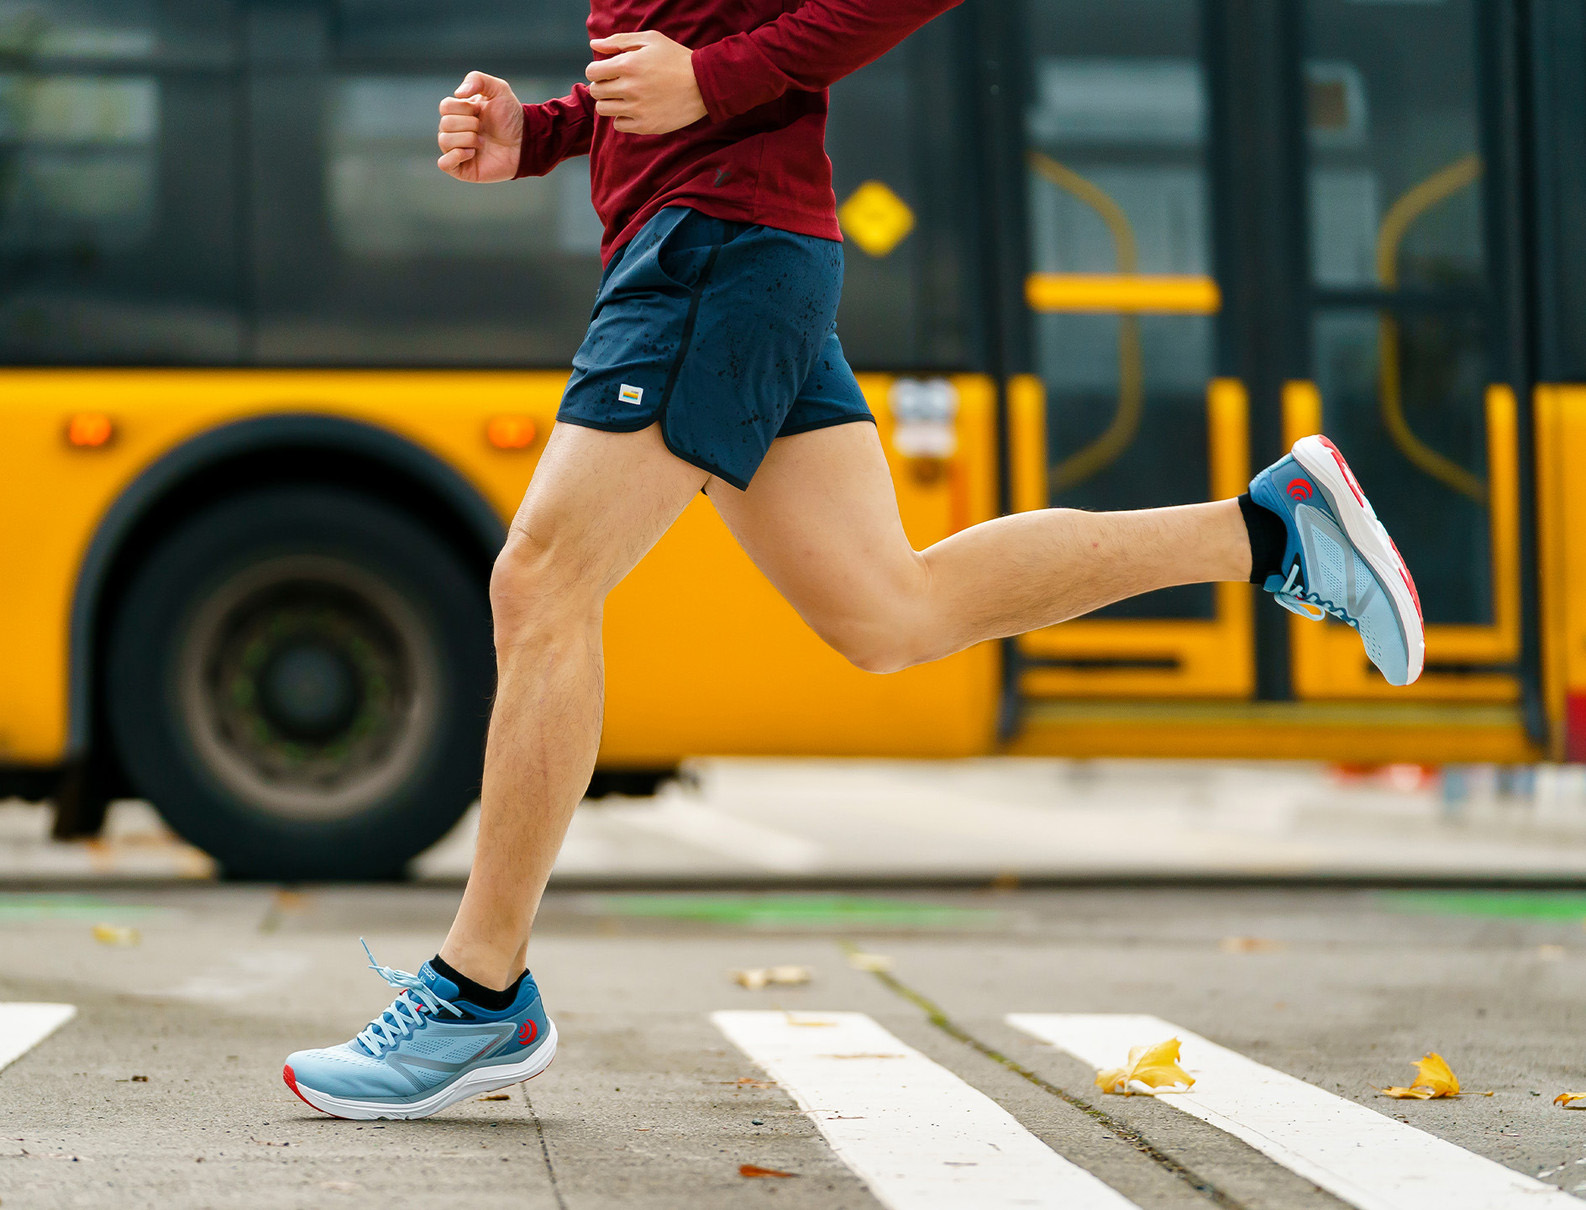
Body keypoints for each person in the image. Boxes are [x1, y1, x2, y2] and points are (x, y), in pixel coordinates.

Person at [280, 0, 1424, 1121]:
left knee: (539, 580)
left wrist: (711, 81)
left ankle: (477, 989)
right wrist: (551, 132)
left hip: (714, 245)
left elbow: (719, 56)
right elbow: (675, 44)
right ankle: (1269, 527)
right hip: (731, 245)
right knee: (891, 614)